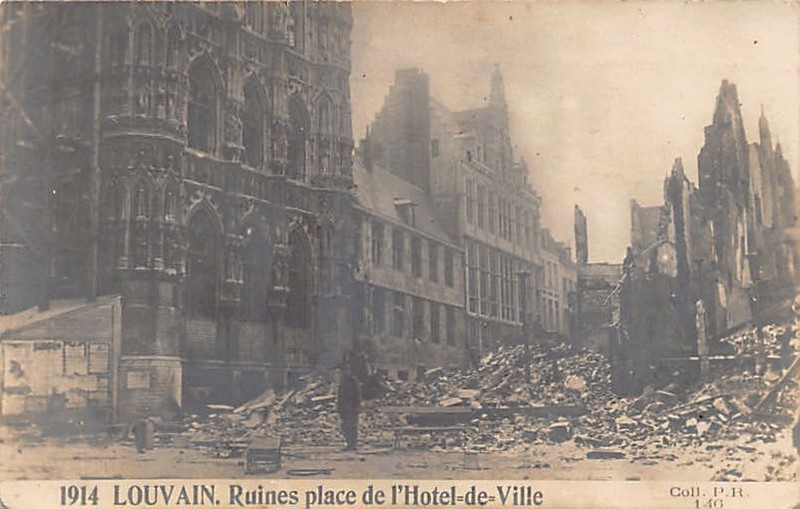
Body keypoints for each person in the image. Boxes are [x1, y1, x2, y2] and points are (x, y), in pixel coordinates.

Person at [337, 361, 362, 451]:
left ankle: (352, 445)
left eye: (342, 371)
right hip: (345, 409)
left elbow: (357, 396)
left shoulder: (352, 381)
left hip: (351, 409)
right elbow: (340, 397)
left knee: (351, 427)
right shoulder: (343, 382)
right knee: (346, 427)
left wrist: (356, 407)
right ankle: (349, 444)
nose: (341, 374)